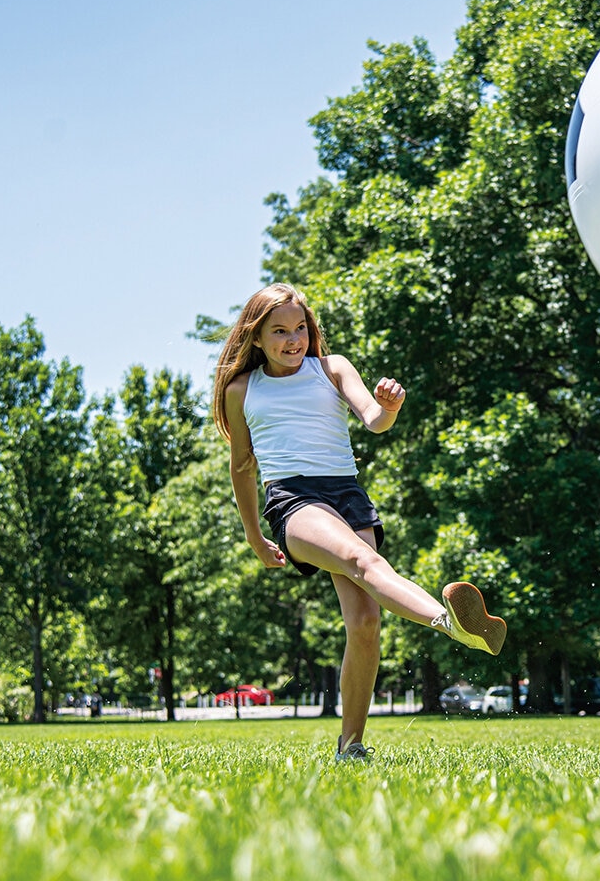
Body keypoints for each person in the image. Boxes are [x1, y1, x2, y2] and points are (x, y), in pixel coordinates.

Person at [213, 281, 506, 762]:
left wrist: (387, 407)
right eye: (279, 331)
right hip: (293, 498)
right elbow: (242, 466)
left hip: (347, 493)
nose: (293, 340)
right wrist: (254, 535)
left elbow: (372, 418)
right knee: (361, 559)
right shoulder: (242, 389)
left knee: (366, 621)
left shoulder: (332, 369)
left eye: (300, 328)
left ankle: (350, 747)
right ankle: (450, 623)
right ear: (257, 336)